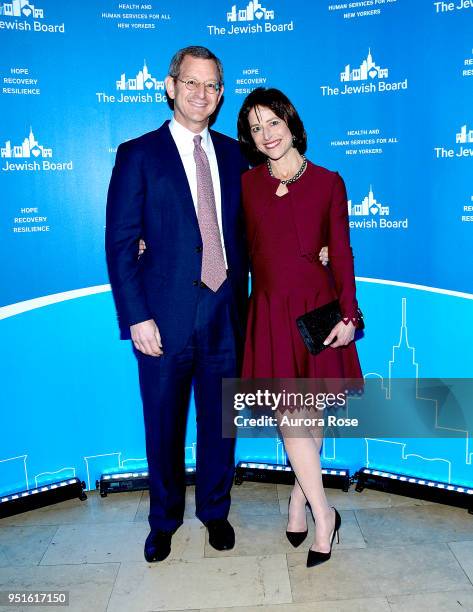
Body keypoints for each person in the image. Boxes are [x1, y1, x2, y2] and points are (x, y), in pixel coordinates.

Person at [105, 46, 250, 562]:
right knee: (163, 427)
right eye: (191, 82)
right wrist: (136, 316)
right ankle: (163, 520)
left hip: (225, 316)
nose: (201, 93)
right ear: (170, 86)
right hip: (162, 321)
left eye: (212, 85)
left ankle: (215, 512)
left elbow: (254, 230)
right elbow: (121, 243)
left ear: (220, 94)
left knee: (220, 427)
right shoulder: (138, 154)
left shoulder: (236, 155)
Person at [237, 88, 363, 568]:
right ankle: (323, 511)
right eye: (255, 127)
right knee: (293, 417)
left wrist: (349, 316)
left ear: (291, 122)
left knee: (308, 419)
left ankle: (302, 502)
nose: (266, 134)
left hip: (318, 310)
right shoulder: (247, 183)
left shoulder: (329, 181)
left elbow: (343, 252)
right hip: (269, 310)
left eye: (273, 122)